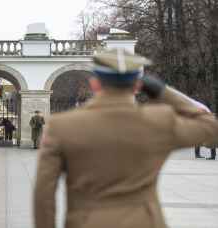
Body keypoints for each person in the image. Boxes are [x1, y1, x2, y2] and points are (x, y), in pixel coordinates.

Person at [34, 49, 218, 228]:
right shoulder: (159, 120)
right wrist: (165, 92)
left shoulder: (61, 126)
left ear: (95, 84)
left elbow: (43, 195)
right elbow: (211, 128)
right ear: (137, 86)